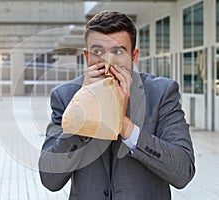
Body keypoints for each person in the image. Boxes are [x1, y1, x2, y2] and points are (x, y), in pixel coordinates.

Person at [38, 11, 195, 200]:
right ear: (87, 57)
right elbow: (50, 179)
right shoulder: (66, 96)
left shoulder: (161, 93)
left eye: (118, 51)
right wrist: (85, 114)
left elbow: (183, 172)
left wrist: (123, 124)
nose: (107, 62)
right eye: (97, 52)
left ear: (134, 56)